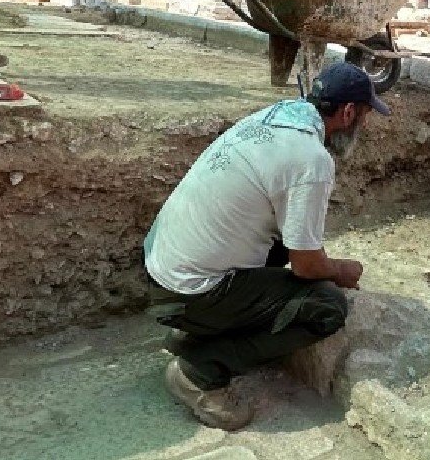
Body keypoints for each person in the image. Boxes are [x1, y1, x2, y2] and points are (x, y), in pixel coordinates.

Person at [143, 62, 388, 430]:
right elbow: (306, 265)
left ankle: (197, 327)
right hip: (187, 289)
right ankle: (201, 371)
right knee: (326, 306)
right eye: (364, 116)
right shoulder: (311, 159)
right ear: (349, 112)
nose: (362, 127)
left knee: (281, 244)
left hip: (159, 269)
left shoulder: (273, 116)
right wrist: (341, 270)